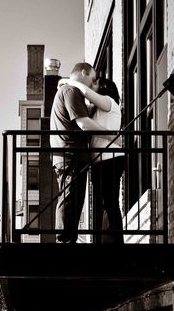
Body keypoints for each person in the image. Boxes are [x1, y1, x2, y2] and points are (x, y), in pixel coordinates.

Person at [64, 76, 124, 243]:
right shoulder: (97, 110)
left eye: (96, 84)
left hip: (110, 159)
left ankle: (116, 243)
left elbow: (84, 92)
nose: (93, 87)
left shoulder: (109, 102)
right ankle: (106, 240)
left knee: (110, 202)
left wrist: (70, 82)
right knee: (105, 203)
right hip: (100, 162)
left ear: (104, 88)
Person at [50, 62, 97, 243]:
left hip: (66, 155)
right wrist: (112, 135)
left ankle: (67, 238)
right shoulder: (71, 91)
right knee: (71, 198)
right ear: (83, 72)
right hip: (70, 155)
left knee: (72, 198)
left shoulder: (64, 92)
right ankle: (65, 241)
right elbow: (83, 123)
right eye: (92, 80)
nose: (92, 85)